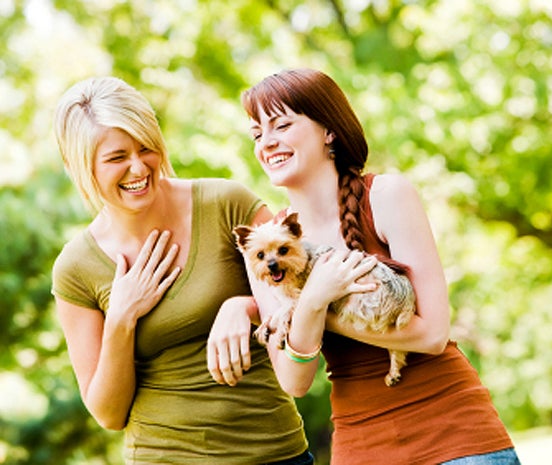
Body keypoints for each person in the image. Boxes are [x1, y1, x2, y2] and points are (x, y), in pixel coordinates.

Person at [207, 68, 521, 465]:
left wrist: (312, 306)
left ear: (329, 131)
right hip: (361, 444)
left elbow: (433, 335)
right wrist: (274, 303)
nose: (267, 142)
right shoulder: (267, 247)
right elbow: (294, 380)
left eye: (282, 125)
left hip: (457, 436)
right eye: (257, 134)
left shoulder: (387, 196)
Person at [51, 76, 315, 465]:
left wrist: (244, 307)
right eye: (117, 157)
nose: (138, 167)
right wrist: (121, 318)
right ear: (79, 165)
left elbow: (304, 297)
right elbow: (109, 415)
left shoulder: (227, 205)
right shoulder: (76, 268)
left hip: (275, 452)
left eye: (146, 148)